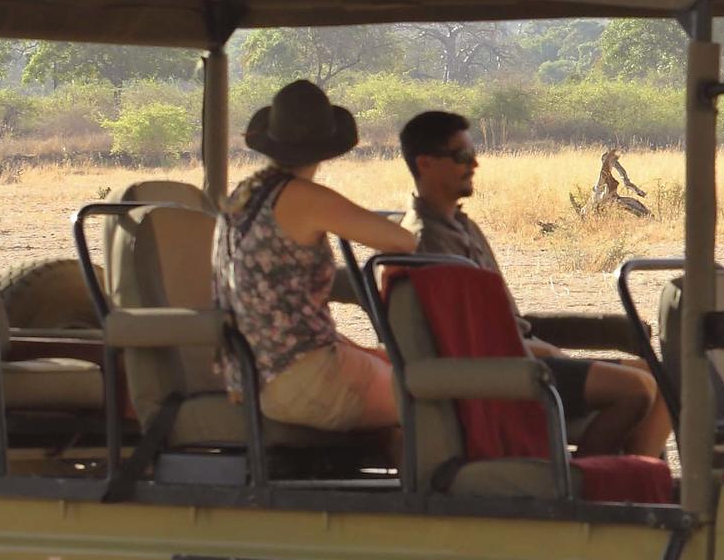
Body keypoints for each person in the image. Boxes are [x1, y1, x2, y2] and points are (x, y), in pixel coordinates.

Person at [399, 109, 672, 460]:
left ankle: (641, 482)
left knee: (664, 381)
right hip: (506, 369)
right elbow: (469, 335)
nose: (474, 165)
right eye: (462, 156)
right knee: (635, 390)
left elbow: (502, 314)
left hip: (526, 352)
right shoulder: (426, 243)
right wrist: (541, 351)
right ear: (426, 164)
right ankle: (584, 487)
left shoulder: (462, 227)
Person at [220, 79, 418, 442]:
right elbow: (404, 241)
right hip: (299, 376)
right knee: (433, 397)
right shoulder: (305, 197)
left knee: (391, 370)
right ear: (326, 148)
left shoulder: (248, 193)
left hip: (251, 373)